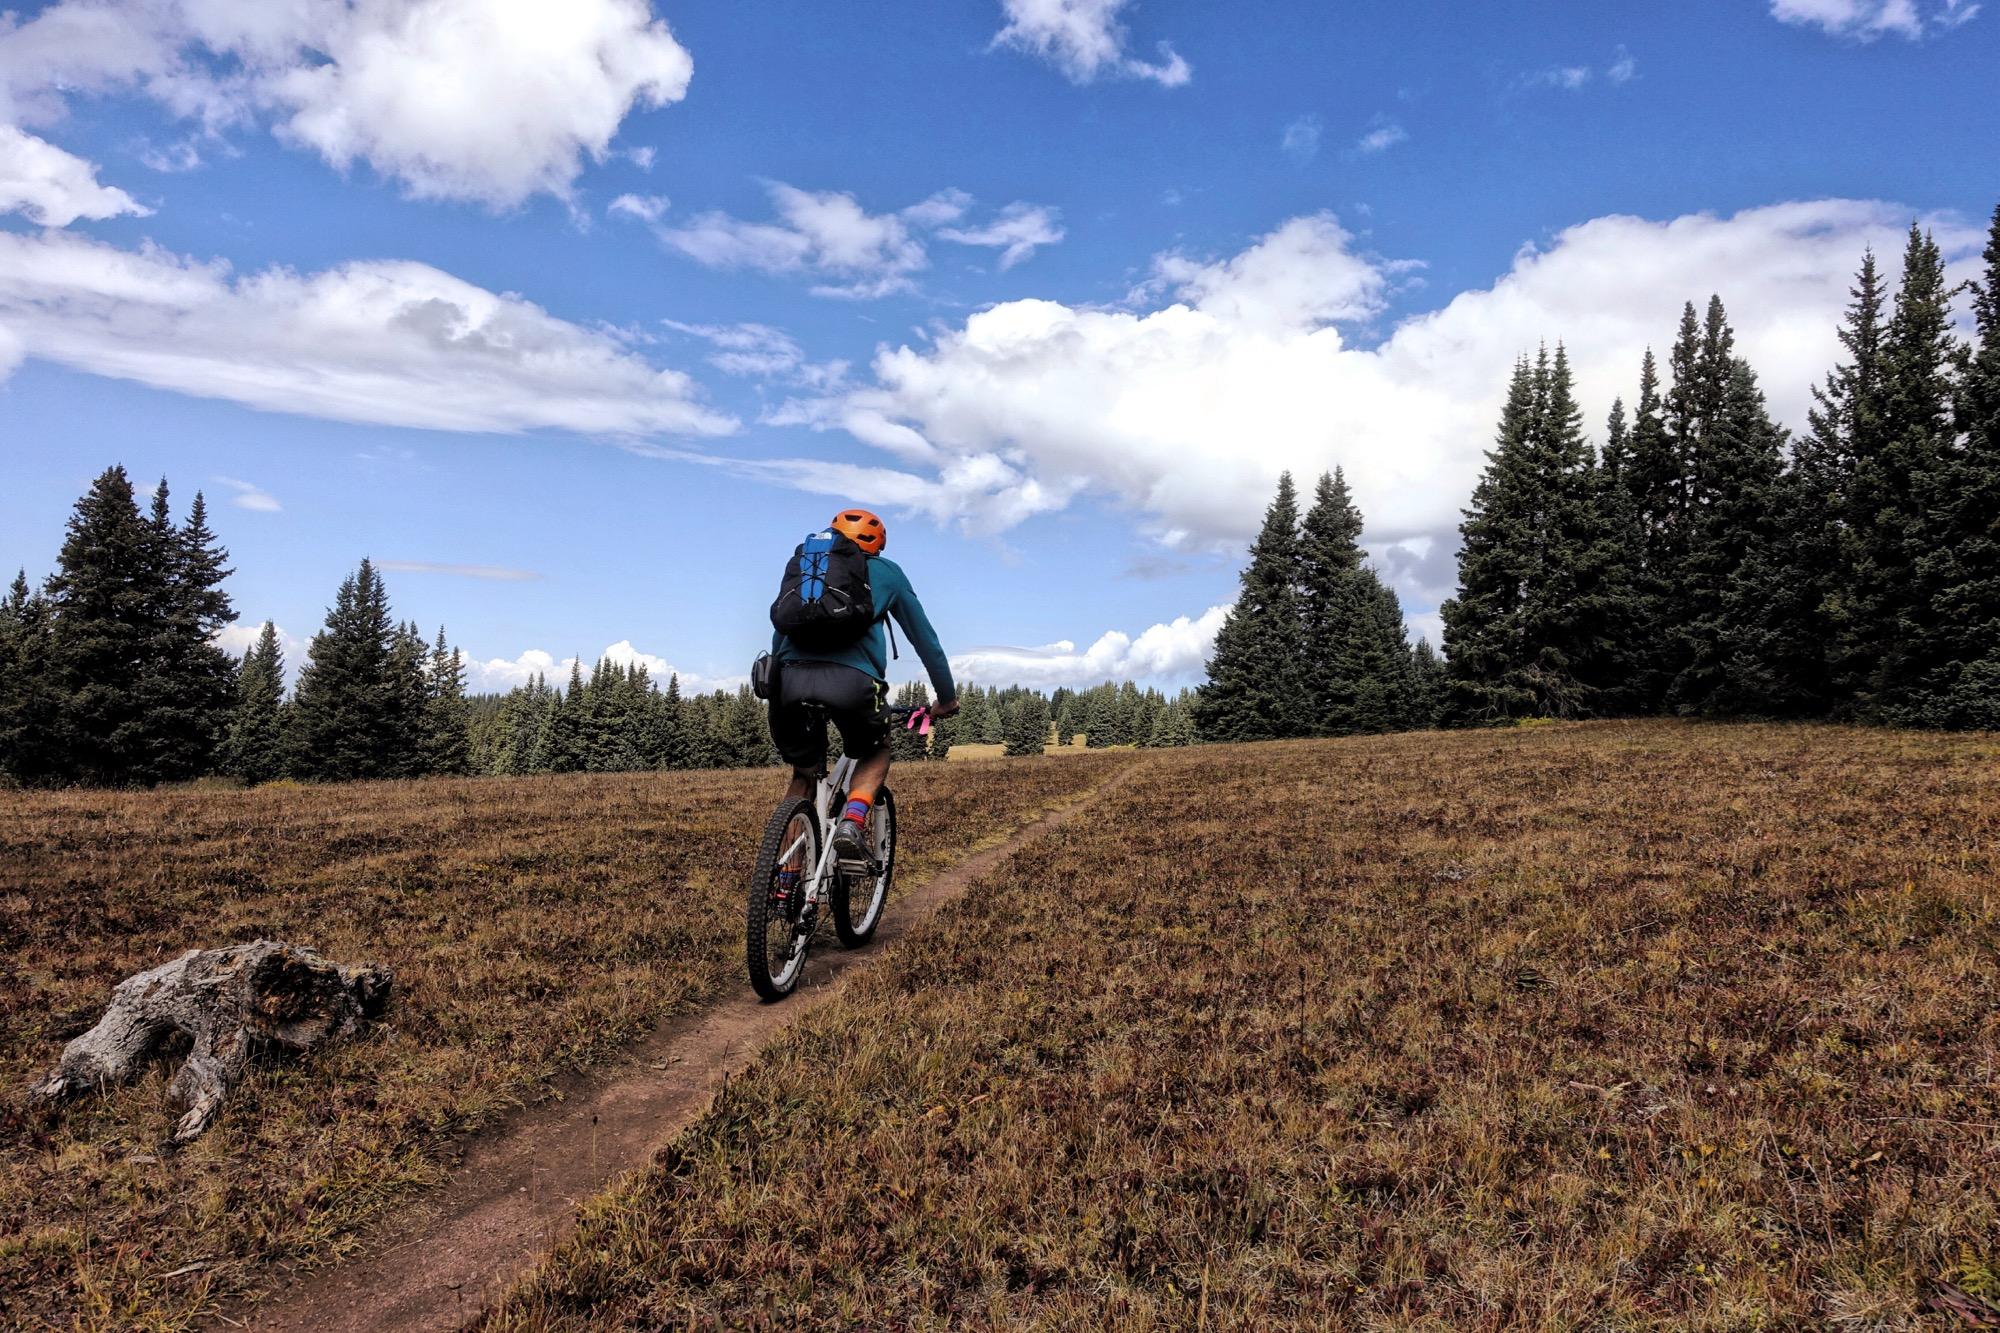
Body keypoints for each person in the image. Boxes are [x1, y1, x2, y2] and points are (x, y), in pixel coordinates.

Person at [768, 507, 959, 861]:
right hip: (852, 685)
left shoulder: (809, 574)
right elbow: (926, 642)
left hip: (788, 682)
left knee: (803, 776)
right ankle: (852, 822)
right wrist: (945, 699)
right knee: (876, 748)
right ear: (878, 545)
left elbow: (781, 631)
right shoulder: (887, 573)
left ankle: (784, 882)